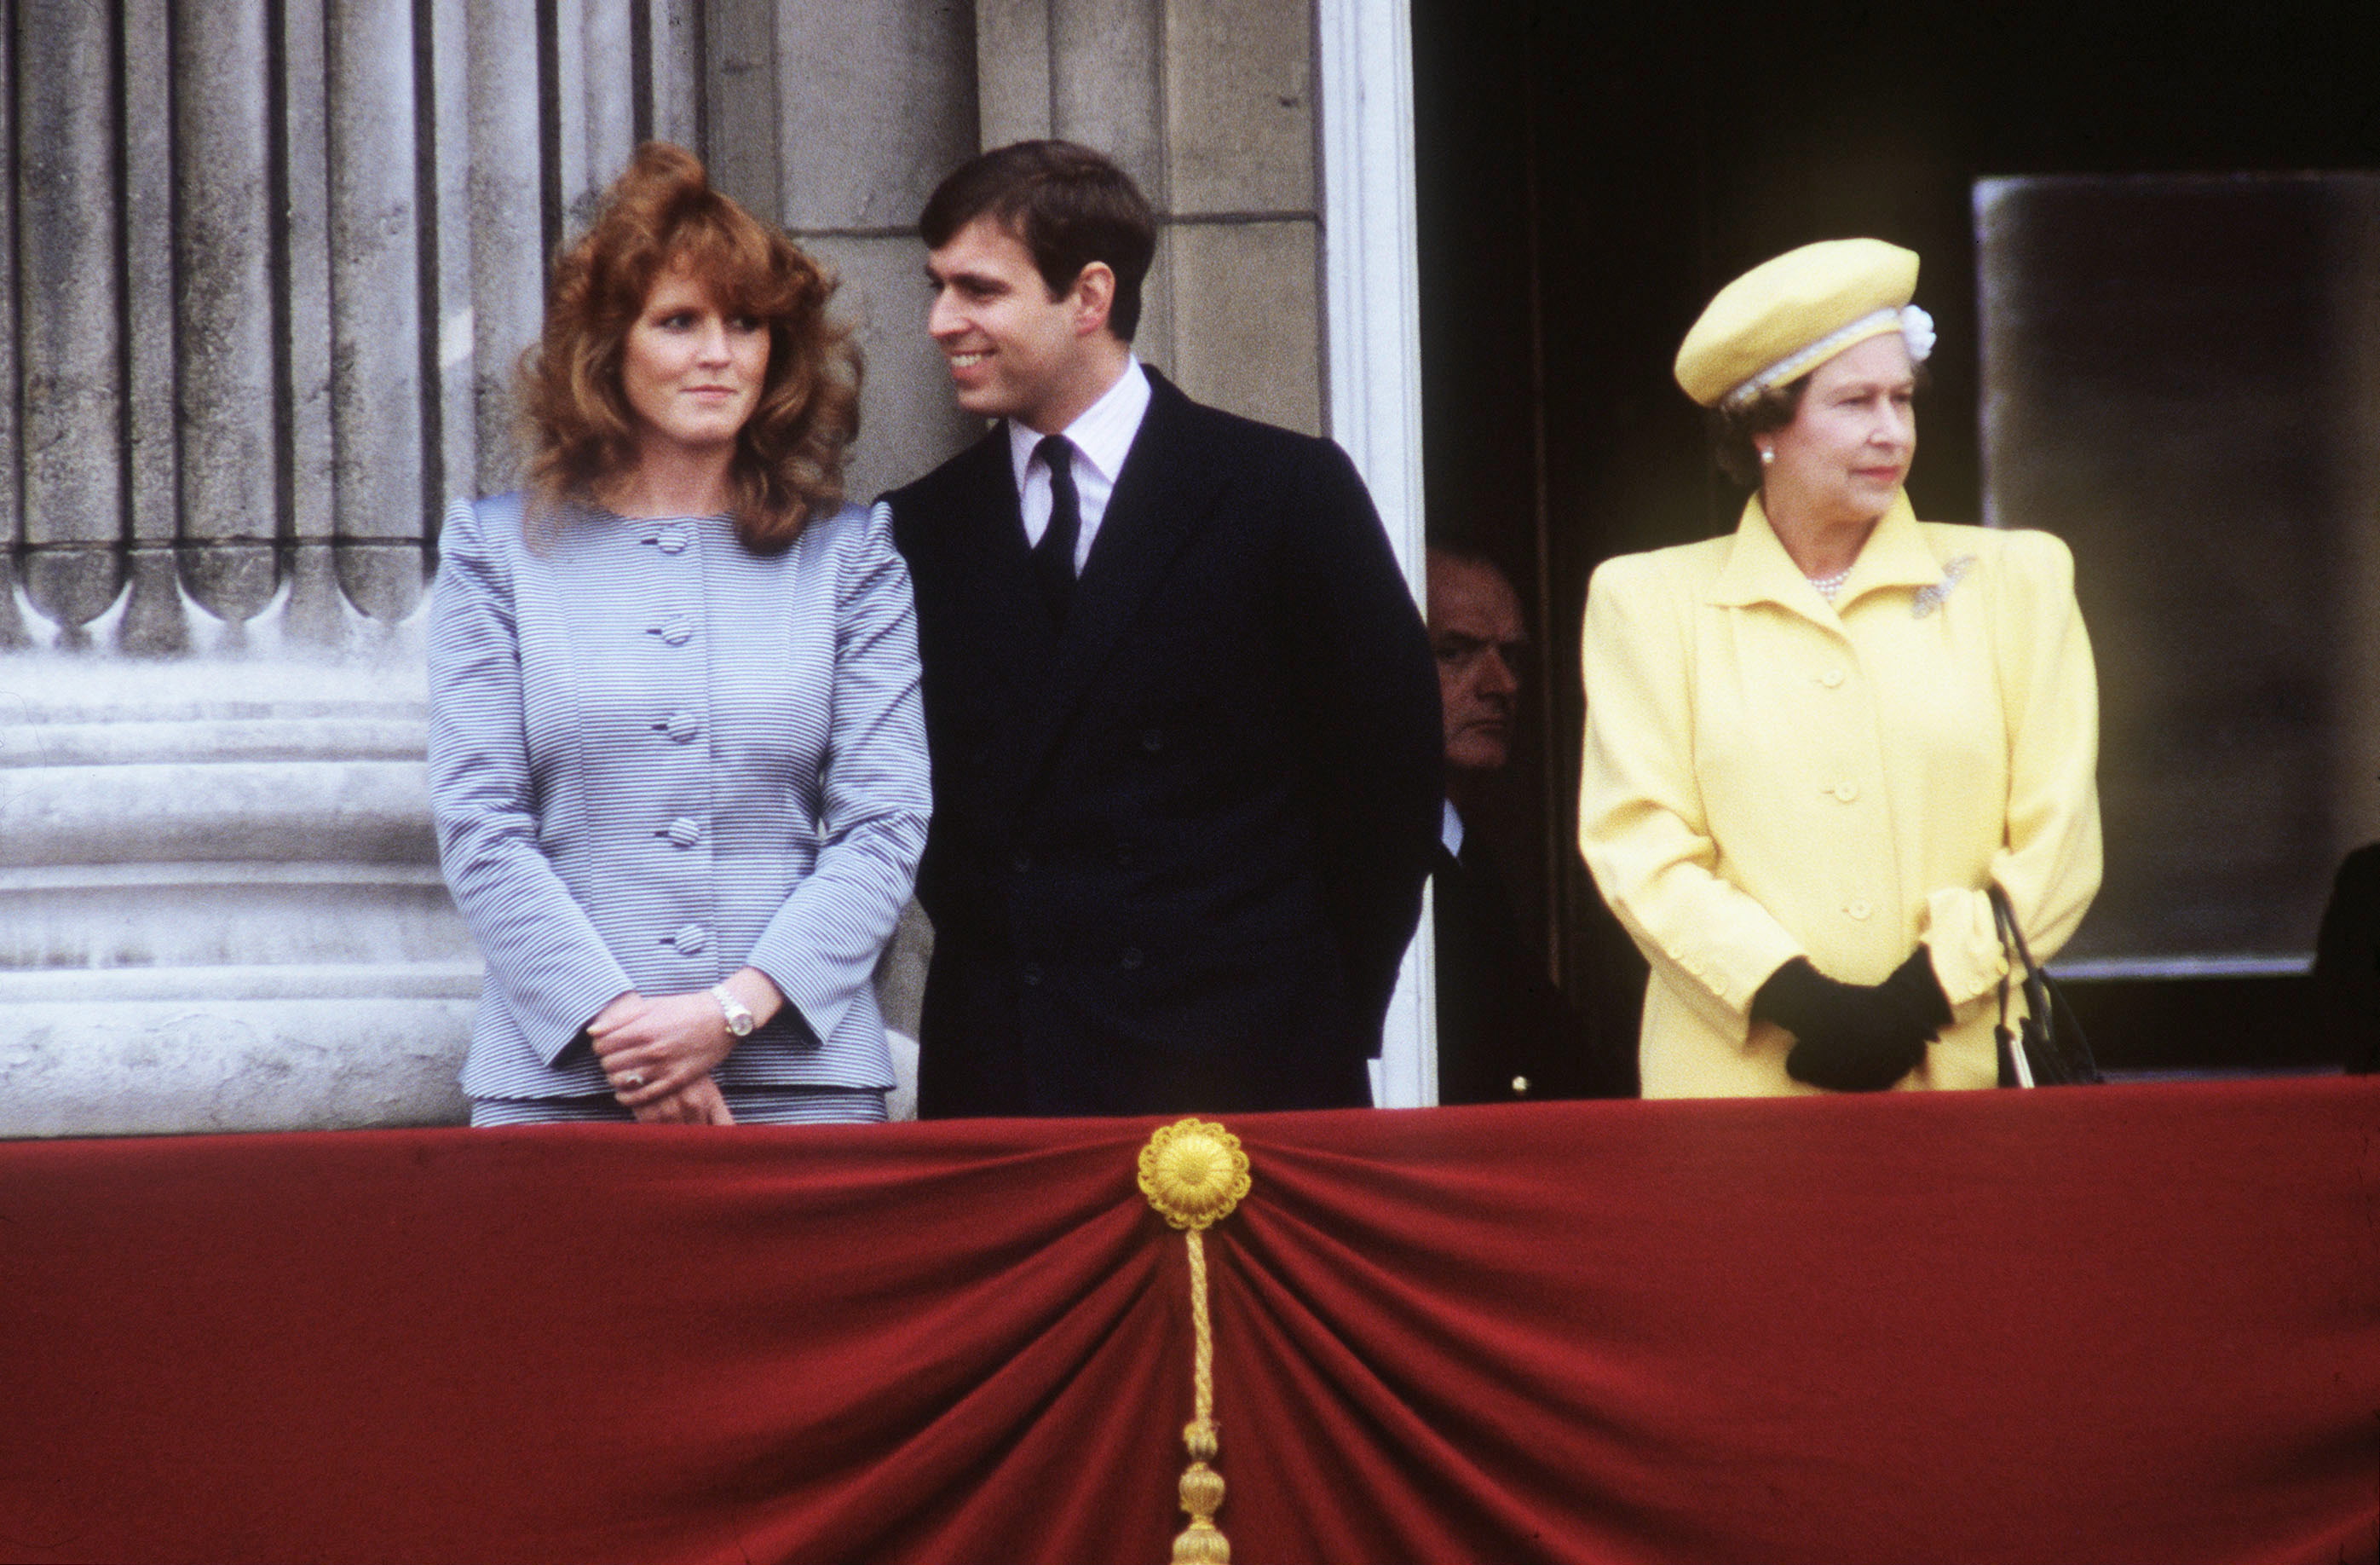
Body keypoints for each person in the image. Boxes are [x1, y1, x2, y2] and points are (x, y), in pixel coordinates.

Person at [881, 140, 1442, 1117]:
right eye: (938, 289)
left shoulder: (1283, 492)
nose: (941, 323)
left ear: (1088, 297)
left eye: (978, 290)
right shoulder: (916, 528)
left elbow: (1388, 787)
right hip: (1008, 1080)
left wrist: (1315, 1020)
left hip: (1245, 1071)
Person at [428, 142, 929, 1125]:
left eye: (747, 324)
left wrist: (728, 1014)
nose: (719, 353)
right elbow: (480, 824)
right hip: (562, 1082)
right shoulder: (496, 553)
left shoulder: (852, 559)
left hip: (800, 1083)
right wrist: (626, 1031)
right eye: (680, 322)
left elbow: (883, 826)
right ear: (608, 347)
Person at [1579, 239, 2101, 1097]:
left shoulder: (2018, 581)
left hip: (1962, 1076)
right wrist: (1799, 998)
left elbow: (2059, 843)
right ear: (1762, 425)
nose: (1891, 432)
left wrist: (1919, 998)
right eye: (1855, 402)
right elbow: (1640, 849)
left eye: (1902, 398)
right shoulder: (1648, 603)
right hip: (1736, 1100)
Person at [1427, 544, 1637, 1101]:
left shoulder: (1470, 859)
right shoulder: (1334, 861)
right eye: (1454, 651)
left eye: (1511, 657)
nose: (1502, 685)